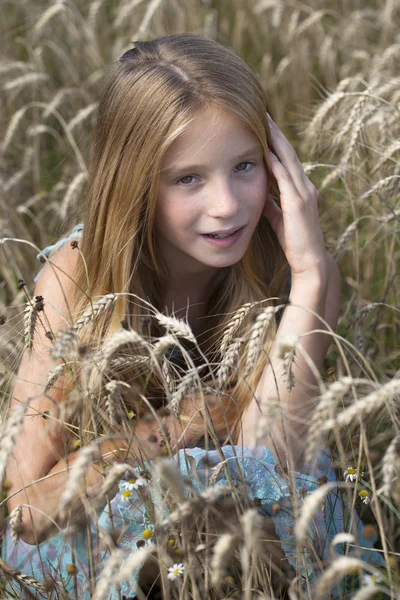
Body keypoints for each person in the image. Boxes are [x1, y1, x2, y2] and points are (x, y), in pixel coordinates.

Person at [1, 33, 381, 599]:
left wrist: (309, 276)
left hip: (256, 553)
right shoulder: (78, 280)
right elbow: (26, 512)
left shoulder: (298, 274)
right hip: (102, 561)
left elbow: (272, 471)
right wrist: (179, 428)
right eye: (188, 178)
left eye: (245, 165)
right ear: (134, 185)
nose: (227, 205)